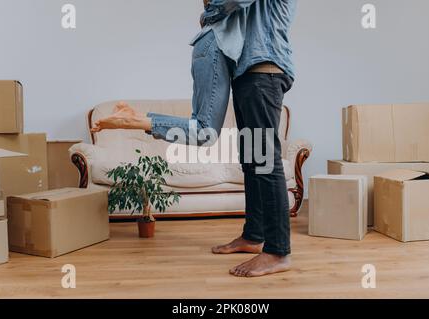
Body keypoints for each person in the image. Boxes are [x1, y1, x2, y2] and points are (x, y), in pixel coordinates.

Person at [92, 0, 297, 277]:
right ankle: (253, 236)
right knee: (251, 161)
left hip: (264, 69)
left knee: (264, 161)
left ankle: (277, 252)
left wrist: (210, 11)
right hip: (246, 71)